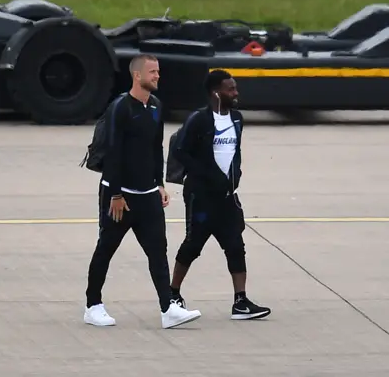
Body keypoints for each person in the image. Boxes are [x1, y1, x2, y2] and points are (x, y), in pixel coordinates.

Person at [84, 54, 202, 329]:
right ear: (137, 76)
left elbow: (155, 148)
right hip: (120, 195)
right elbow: (113, 152)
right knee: (106, 249)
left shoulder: (156, 107)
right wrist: (114, 195)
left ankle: (167, 309)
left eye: (158, 71)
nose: (157, 76)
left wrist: (159, 183)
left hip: (147, 193)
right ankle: (92, 305)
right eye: (152, 72)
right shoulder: (120, 108)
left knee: (158, 251)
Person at [169, 69, 271, 320]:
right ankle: (172, 294)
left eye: (235, 88)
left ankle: (240, 302)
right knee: (193, 245)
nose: (235, 93)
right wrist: (207, 175)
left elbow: (234, 152)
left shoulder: (237, 119)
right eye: (231, 89)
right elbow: (181, 151)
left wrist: (235, 174)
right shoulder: (199, 120)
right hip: (201, 196)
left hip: (227, 196)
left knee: (235, 245)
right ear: (216, 92)